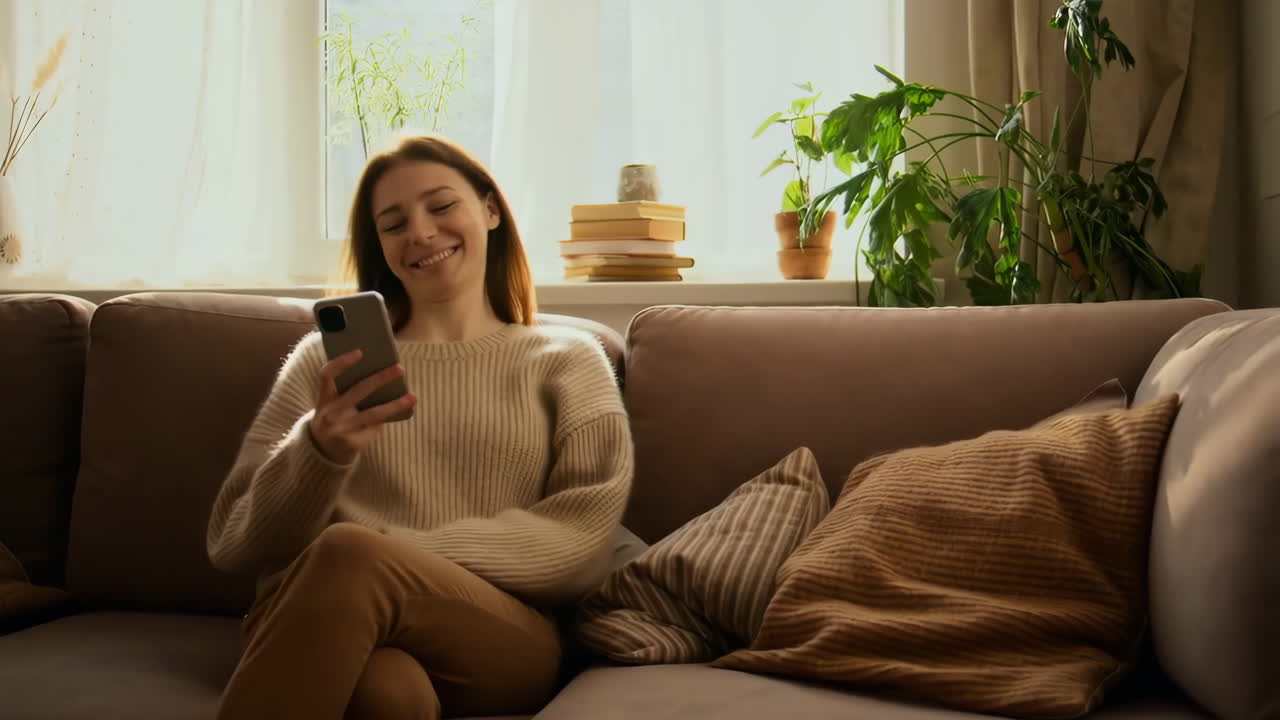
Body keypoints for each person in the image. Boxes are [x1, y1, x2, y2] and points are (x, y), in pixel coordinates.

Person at [206, 134, 634, 720]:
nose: (421, 233)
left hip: (499, 633)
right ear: (380, 246)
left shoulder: (568, 358)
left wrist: (394, 555)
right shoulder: (324, 363)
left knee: (349, 554)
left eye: (440, 206)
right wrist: (317, 450)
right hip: (323, 621)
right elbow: (233, 541)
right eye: (394, 223)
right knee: (390, 695)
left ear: (489, 210)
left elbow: (581, 541)